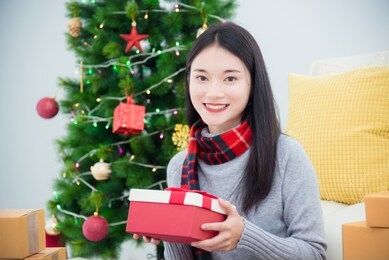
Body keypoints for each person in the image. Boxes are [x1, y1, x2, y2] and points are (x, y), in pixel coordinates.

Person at [134, 22, 327, 260]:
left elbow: (315, 253)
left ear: (252, 84)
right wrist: (170, 233)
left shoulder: (286, 155)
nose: (214, 92)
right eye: (202, 78)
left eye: (230, 79)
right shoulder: (180, 166)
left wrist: (245, 235)